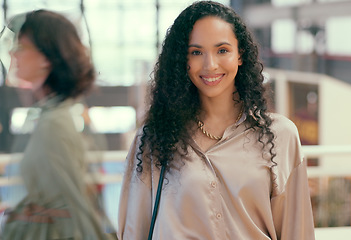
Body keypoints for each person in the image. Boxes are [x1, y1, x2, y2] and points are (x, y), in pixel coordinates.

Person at [118, 1, 315, 240]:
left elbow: (298, 231)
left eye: (222, 50)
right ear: (183, 60)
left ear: (240, 55)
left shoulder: (280, 136)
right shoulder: (153, 139)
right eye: (196, 52)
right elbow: (133, 232)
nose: (210, 65)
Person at [1, 10, 113, 239]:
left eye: (21, 47)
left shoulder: (54, 123)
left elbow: (73, 211)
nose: (13, 52)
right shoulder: (49, 114)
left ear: (46, 58)